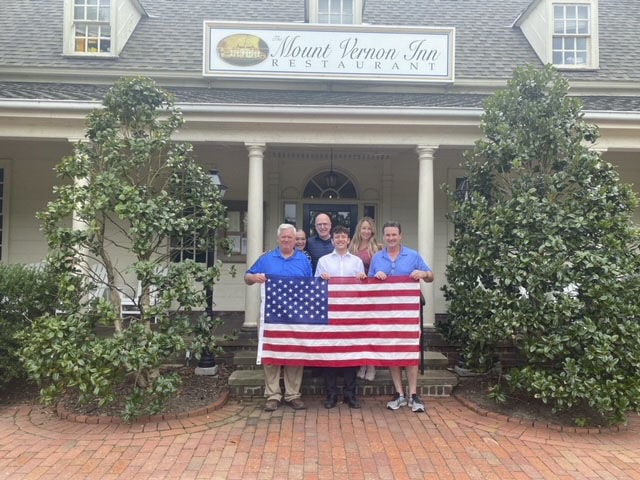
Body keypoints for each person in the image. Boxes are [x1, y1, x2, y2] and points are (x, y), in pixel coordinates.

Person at [245, 223, 313, 412]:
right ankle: (273, 394)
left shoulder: (303, 260)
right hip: (271, 315)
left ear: (294, 240)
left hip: (296, 316)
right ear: (278, 239)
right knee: (271, 355)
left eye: (290, 237)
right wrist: (254, 277)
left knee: (294, 354)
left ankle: (293, 394)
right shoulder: (266, 258)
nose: (286, 240)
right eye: (283, 237)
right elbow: (247, 276)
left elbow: (310, 286)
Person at [368, 220, 434, 413]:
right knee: (392, 353)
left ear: (400, 235)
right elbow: (368, 284)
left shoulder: (413, 255)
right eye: (387, 235)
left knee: (410, 352)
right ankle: (399, 393)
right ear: (383, 237)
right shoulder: (377, 258)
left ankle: (413, 394)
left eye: (394, 235)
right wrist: (375, 276)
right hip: (385, 313)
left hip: (407, 313)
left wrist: (422, 273)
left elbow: (431, 276)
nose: (391, 238)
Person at [315, 225, 367, 409]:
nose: (340, 240)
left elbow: (362, 290)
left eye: (343, 237)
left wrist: (362, 278)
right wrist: (321, 278)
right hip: (330, 314)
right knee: (329, 356)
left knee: (350, 356)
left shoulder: (357, 262)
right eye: (337, 237)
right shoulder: (323, 261)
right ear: (332, 240)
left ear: (348, 240)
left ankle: (350, 395)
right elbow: (316, 287)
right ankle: (331, 395)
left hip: (351, 315)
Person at [349, 216, 382, 382]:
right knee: (359, 331)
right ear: (359, 230)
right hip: (356, 295)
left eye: (369, 228)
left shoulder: (377, 248)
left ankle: (372, 365)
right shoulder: (352, 247)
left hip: (372, 295)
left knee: (371, 331)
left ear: (373, 230)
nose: (366, 231)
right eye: (363, 228)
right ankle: (362, 363)